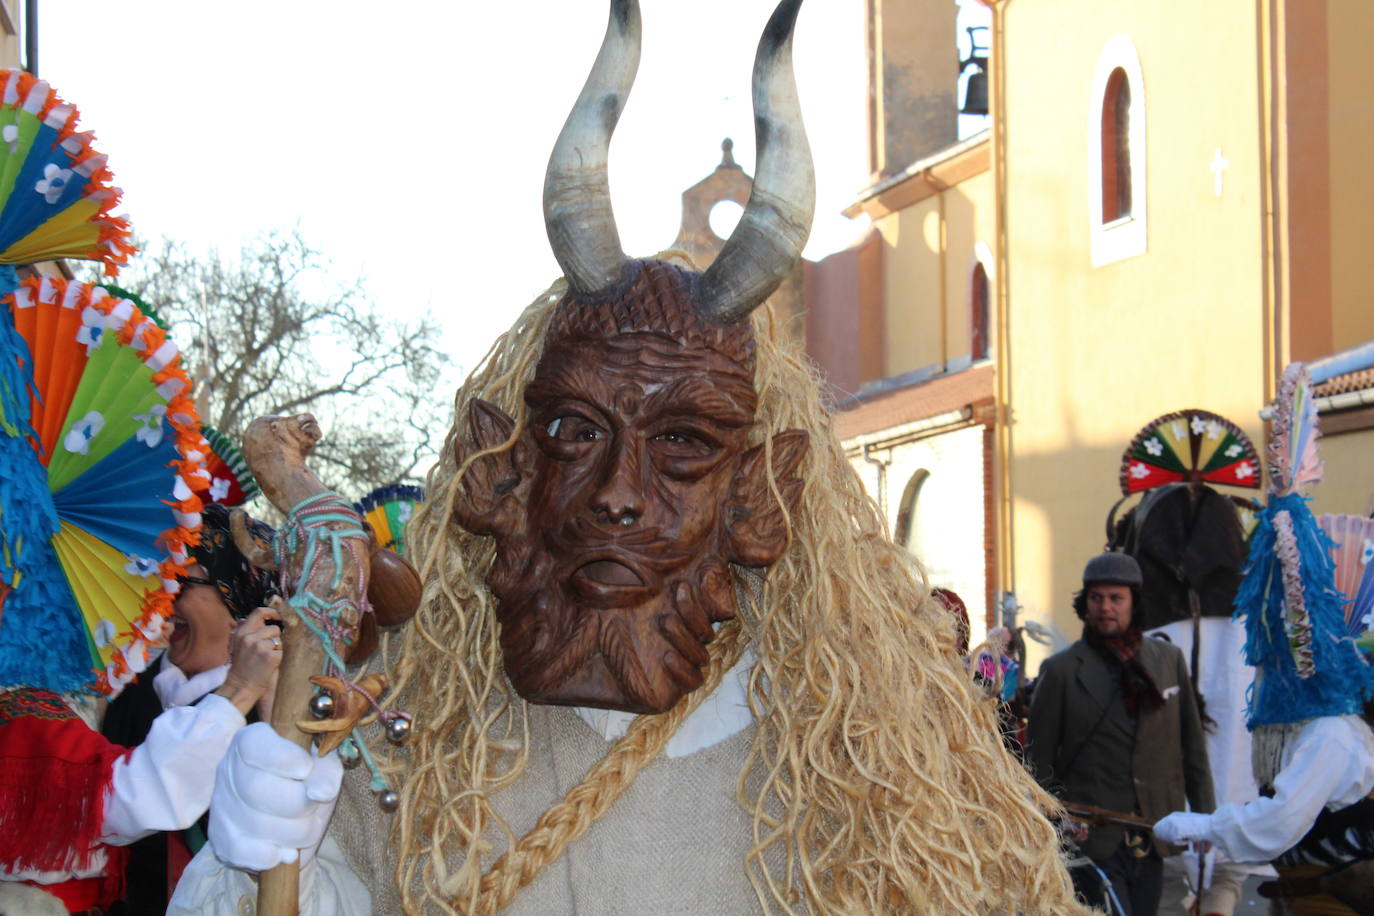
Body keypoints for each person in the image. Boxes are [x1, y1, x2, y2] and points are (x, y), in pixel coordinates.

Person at [167, 2, 1091, 913]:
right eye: (575, 431)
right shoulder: (399, 746)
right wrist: (261, 870)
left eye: (685, 443)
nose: (619, 495)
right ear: (503, 467)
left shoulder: (875, 775)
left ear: (762, 496)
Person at [0, 504, 281, 914]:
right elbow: (133, 796)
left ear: (244, 602)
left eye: (180, 579)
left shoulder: (282, 702)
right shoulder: (33, 709)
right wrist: (238, 690)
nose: (161, 595)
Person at [1027, 552, 1215, 914]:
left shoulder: (1168, 660)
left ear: (1134, 603)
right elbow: (1039, 764)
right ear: (1085, 604)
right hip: (1090, 837)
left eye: (1116, 598)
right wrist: (1055, 822)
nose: (1105, 608)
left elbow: (1192, 747)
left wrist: (1207, 818)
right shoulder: (1062, 671)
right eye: (1097, 598)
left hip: (1153, 830)